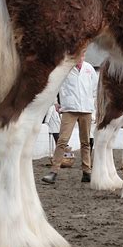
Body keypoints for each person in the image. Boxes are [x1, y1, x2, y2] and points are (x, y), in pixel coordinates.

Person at [42, 54, 98, 184]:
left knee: (86, 142)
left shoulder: (89, 68)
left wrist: (93, 108)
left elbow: (95, 89)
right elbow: (53, 85)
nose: (81, 57)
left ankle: (87, 171)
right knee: (62, 140)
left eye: (83, 54)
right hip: (69, 109)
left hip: (86, 109)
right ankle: (54, 171)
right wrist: (56, 102)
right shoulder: (65, 68)